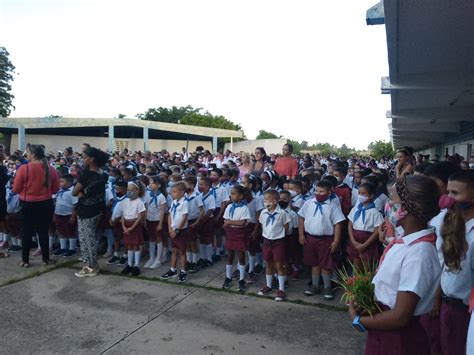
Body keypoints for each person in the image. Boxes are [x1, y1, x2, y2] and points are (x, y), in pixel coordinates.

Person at [349, 175, 442, 355]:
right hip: (385, 330)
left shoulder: (419, 253)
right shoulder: (404, 242)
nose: (388, 205)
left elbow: (401, 316)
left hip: (399, 341)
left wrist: (359, 321)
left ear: (407, 207)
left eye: (392, 200)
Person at [13, 144, 59, 268]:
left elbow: (16, 189)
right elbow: (55, 189)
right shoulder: (51, 169)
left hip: (27, 203)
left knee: (27, 232)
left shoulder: (23, 169)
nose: (26, 154)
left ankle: (25, 260)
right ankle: (46, 259)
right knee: (43, 231)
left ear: (33, 155)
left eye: (27, 152)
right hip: (45, 203)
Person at [299, 180, 345, 300]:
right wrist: (301, 234)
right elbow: (301, 218)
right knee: (314, 263)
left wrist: (336, 241)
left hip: (325, 239)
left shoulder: (333, 206)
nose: (318, 193)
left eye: (322, 191)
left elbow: (338, 224)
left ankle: (327, 286)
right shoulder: (309, 203)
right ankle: (314, 285)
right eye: (317, 191)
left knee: (325, 265)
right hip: (310, 238)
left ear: (329, 192)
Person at [73, 147, 108, 277]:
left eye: (84, 157)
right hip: (97, 208)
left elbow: (74, 191)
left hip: (86, 210)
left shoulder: (88, 175)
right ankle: (90, 264)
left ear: (91, 159)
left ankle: (91, 266)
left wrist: (81, 193)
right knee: (89, 237)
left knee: (86, 238)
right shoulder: (102, 173)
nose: (83, 160)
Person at [257, 189, 291, 301]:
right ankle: (268, 285)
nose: (265, 201)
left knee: (279, 265)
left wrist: (279, 235)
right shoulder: (263, 212)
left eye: (267, 199)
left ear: (275, 201)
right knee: (268, 264)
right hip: (267, 241)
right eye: (264, 199)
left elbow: (286, 226)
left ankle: (281, 289)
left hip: (278, 242)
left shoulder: (282, 213)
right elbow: (263, 225)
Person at [346, 182, 383, 270]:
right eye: (359, 193)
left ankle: (366, 283)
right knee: (356, 265)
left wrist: (364, 245)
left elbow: (377, 231)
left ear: (371, 196)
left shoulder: (375, 213)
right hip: (355, 239)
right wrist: (353, 240)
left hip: (368, 241)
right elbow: (350, 224)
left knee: (366, 267)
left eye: (363, 193)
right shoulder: (355, 209)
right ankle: (355, 283)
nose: (360, 196)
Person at [221, 185, 251, 292]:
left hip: (240, 234)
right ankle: (228, 277)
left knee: (241, 256)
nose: (231, 196)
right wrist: (230, 223)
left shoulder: (244, 208)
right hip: (230, 233)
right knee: (229, 255)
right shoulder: (229, 207)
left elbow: (242, 223)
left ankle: (242, 279)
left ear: (241, 196)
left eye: (234, 194)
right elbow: (225, 220)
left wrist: (229, 222)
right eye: (231, 193)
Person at [161, 182, 190, 283]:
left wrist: (177, 230)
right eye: (172, 192)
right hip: (173, 230)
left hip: (181, 231)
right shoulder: (174, 202)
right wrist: (170, 228)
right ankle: (172, 269)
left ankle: (183, 271)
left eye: (174, 192)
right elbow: (169, 215)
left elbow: (184, 217)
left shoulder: (185, 203)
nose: (172, 194)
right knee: (174, 250)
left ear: (182, 192)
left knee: (182, 251)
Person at [118, 181, 146, 276]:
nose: (129, 192)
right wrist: (123, 226)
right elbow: (122, 215)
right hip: (126, 224)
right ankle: (129, 264)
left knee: (136, 245)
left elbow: (140, 217)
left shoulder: (140, 202)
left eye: (132, 190)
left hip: (135, 225)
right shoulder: (124, 201)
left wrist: (132, 227)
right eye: (128, 190)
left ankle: (136, 265)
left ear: (137, 191)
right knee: (129, 245)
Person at [144, 176, 167, 269]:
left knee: (158, 238)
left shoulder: (161, 197)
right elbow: (146, 207)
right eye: (149, 183)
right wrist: (145, 219)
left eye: (152, 183)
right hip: (149, 219)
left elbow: (162, 211)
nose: (150, 184)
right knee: (151, 239)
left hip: (157, 220)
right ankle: (151, 258)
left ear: (159, 185)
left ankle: (158, 259)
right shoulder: (147, 194)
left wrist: (160, 224)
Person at [53, 174, 78, 258]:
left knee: (71, 231)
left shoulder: (72, 192)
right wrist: (54, 214)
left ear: (69, 183)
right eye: (59, 181)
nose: (60, 183)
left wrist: (73, 216)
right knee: (61, 231)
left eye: (62, 181)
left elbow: (75, 205)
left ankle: (72, 249)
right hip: (59, 214)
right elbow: (56, 202)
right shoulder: (59, 191)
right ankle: (63, 247)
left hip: (68, 215)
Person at [183, 176, 204, 273]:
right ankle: (188, 261)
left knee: (193, 243)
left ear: (191, 186)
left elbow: (202, 211)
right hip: (185, 221)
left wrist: (197, 222)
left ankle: (195, 262)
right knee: (186, 242)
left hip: (193, 221)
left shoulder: (197, 196)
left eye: (185, 185)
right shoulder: (184, 195)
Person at [197, 177, 216, 268]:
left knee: (207, 239)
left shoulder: (211, 196)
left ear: (208, 187)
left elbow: (210, 210)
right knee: (201, 238)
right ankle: (202, 257)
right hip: (201, 219)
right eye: (199, 184)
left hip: (208, 220)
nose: (199, 186)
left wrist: (203, 219)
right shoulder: (200, 195)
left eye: (201, 185)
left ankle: (209, 258)